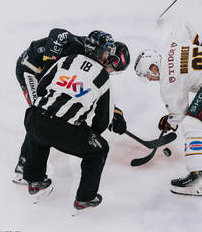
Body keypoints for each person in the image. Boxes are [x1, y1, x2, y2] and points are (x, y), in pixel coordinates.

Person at [22, 30, 130, 211]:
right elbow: (103, 120)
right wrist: (89, 135)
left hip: (33, 117)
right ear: (98, 52)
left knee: (39, 132)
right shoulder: (103, 77)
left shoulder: (67, 59)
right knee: (99, 150)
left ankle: (34, 180)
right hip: (62, 131)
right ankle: (85, 198)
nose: (109, 55)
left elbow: (41, 87)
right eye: (107, 51)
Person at [134, 28, 202, 196]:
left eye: (147, 75)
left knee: (191, 123)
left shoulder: (168, 83)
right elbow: (184, 26)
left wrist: (170, 122)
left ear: (154, 68)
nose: (149, 79)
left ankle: (196, 178)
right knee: (201, 86)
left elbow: (180, 115)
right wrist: (196, 43)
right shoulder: (172, 44)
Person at [13, 28, 88, 184]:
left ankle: (27, 164)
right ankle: (24, 165)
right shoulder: (81, 46)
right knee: (39, 113)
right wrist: (49, 64)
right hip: (31, 70)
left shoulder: (91, 57)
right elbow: (57, 33)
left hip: (44, 75)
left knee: (43, 114)